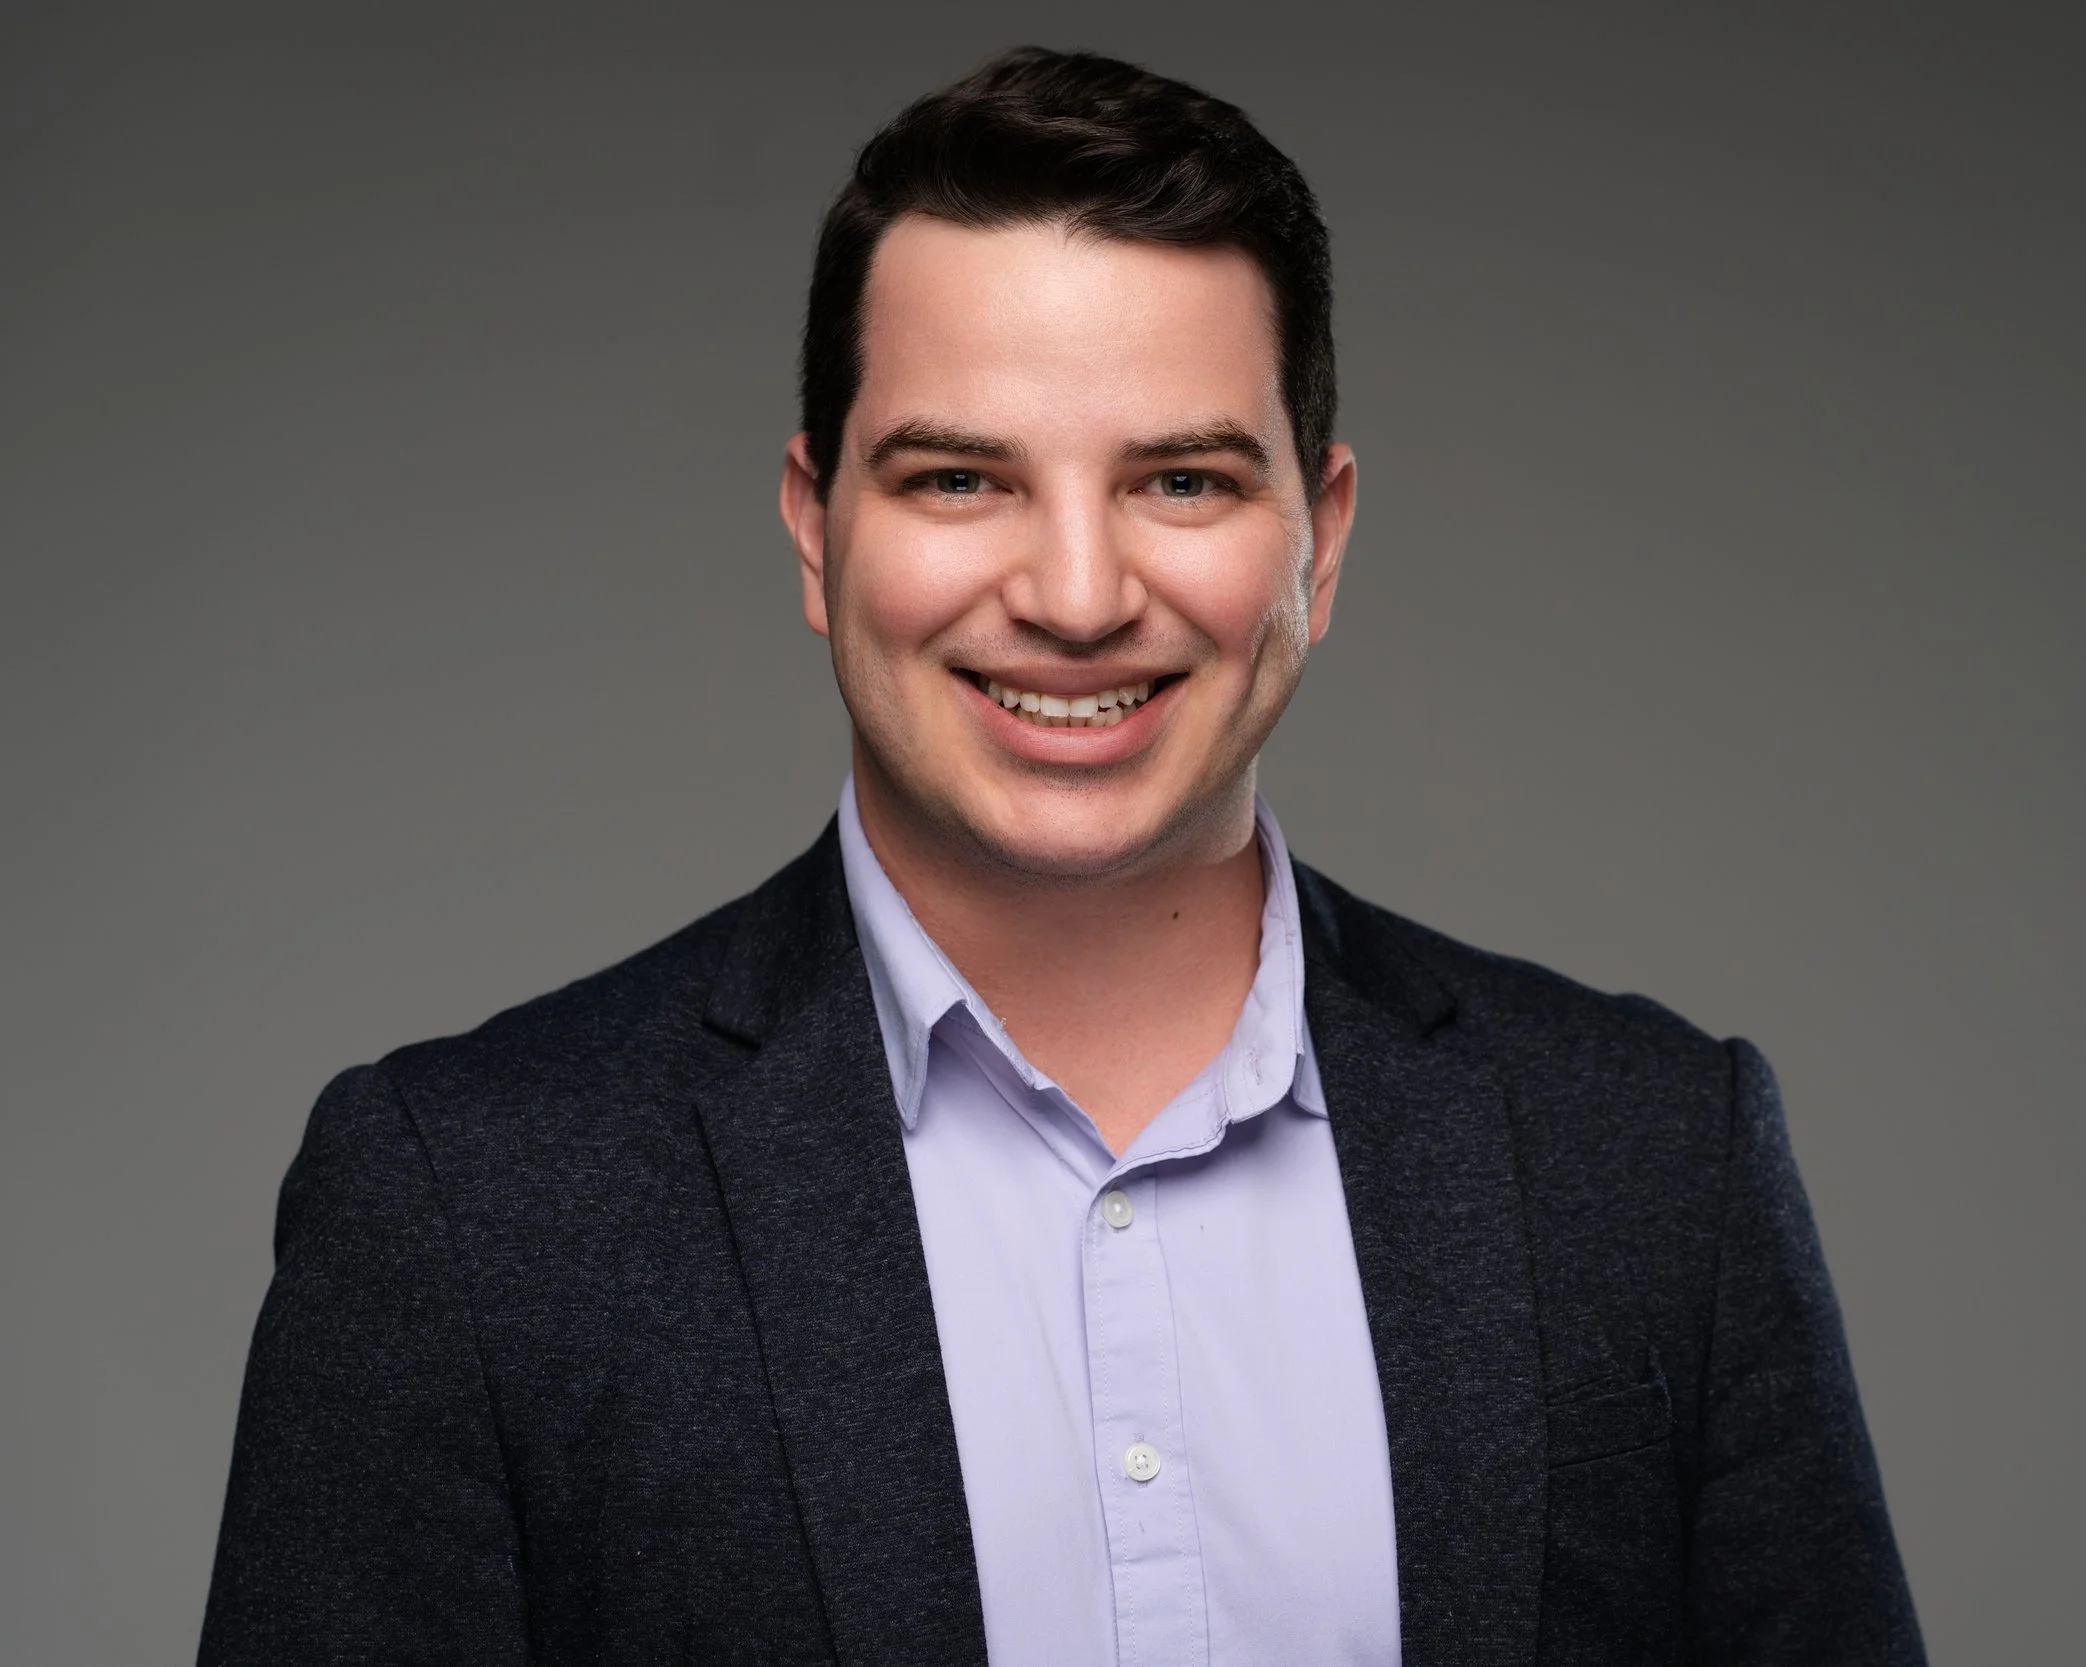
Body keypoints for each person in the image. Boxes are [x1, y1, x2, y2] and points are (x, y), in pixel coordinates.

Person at [200, 46, 1923, 1667]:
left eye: (1179, 479)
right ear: (817, 530)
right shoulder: (465, 1209)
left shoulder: (1652, 1164)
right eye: (961, 480)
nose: (1081, 596)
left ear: (1317, 538)